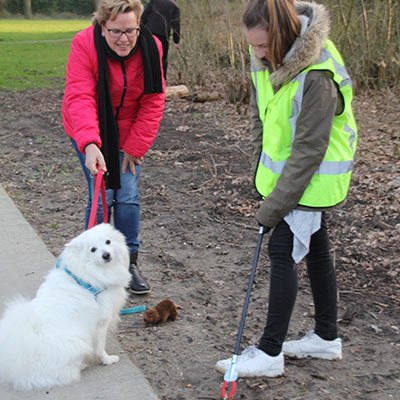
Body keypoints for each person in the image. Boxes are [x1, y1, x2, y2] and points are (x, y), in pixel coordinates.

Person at [216, 0, 357, 378]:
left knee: (282, 252)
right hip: (289, 178)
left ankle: (269, 353)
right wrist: (258, 174)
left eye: (263, 46)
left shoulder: (318, 74)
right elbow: (260, 116)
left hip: (310, 180)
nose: (258, 54)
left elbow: (309, 151)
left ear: (283, 34)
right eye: (253, 46)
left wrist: (272, 206)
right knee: (318, 251)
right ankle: (326, 338)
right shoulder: (264, 57)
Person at [62, 0, 166, 295]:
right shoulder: (84, 44)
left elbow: (153, 99)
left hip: (130, 130)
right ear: (102, 25)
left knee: (128, 194)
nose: (124, 39)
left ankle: (128, 264)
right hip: (90, 126)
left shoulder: (151, 46)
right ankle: (88, 267)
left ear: (139, 25)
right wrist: (90, 144)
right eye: (116, 31)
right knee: (102, 194)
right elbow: (80, 95)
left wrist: (135, 146)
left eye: (130, 30)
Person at [141, 0, 180, 79]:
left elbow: (145, 15)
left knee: (147, 56)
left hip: (149, 32)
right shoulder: (175, 7)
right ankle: (162, 79)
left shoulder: (155, 1)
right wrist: (176, 40)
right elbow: (176, 24)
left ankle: (146, 78)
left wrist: (140, 28)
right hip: (163, 35)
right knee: (163, 59)